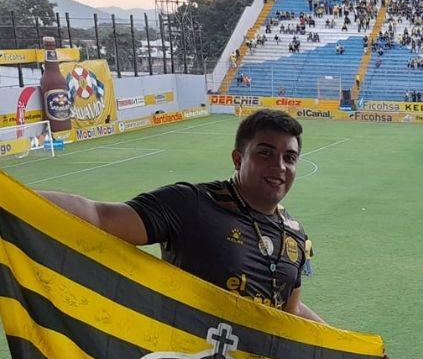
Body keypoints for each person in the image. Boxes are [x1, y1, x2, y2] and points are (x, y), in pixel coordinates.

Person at [40, 110, 321, 321]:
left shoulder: (293, 233)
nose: (279, 166)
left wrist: (353, 351)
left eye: (290, 158)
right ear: (238, 159)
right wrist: (16, 199)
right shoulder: (192, 204)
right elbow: (100, 217)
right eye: (265, 153)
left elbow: (291, 310)